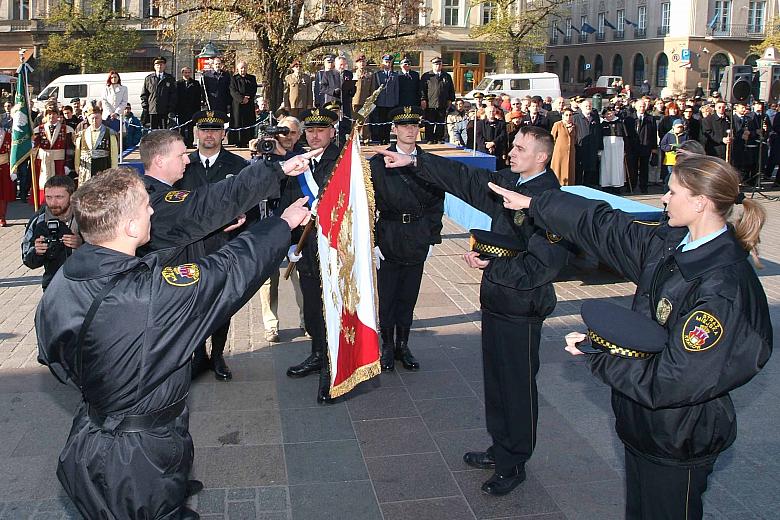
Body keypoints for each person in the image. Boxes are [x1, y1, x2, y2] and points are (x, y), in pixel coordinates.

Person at [488, 153, 772, 520]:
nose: (664, 199)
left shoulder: (722, 287)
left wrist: (601, 354)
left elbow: (674, 379)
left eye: (672, 192)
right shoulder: (675, 244)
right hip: (648, 429)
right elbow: (606, 227)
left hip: (678, 436)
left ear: (701, 202)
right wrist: (538, 203)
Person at [36, 167, 310, 520]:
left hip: (90, 435)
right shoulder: (147, 298)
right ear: (132, 227)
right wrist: (281, 226)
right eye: (146, 207)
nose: (153, 210)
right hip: (136, 458)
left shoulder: (66, 277)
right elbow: (227, 271)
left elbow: (53, 355)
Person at [374, 125, 572, 496]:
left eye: (520, 148)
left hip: (522, 306)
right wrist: (414, 160)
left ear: (541, 157)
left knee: (516, 386)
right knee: (496, 381)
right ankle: (500, 448)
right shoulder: (511, 182)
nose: (510, 152)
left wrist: (491, 264)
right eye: (512, 146)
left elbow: (543, 265)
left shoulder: (548, 200)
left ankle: (515, 463)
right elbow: (466, 179)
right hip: (498, 300)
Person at [175, 110, 249, 380]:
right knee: (192, 303)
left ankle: (217, 356)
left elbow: (248, 200)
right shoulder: (183, 165)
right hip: (189, 246)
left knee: (221, 302)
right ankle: (198, 356)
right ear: (196, 133)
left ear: (223, 135)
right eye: (204, 130)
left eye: (215, 130)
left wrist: (242, 216)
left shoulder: (238, 166)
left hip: (224, 244)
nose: (209, 135)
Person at [369, 106, 444, 371]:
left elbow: (437, 203)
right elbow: (370, 205)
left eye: (414, 126)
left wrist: (433, 237)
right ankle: (387, 346)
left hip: (417, 234)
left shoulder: (430, 163)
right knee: (388, 295)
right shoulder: (377, 164)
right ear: (395, 129)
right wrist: (373, 242)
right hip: (389, 233)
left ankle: (403, 345)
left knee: (409, 296)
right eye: (405, 126)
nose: (410, 130)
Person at [279, 107, 341, 403]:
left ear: (332, 132)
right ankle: (317, 352)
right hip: (306, 247)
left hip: (334, 247)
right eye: (311, 131)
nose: (315, 135)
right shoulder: (300, 161)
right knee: (313, 305)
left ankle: (333, 366)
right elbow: (289, 201)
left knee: (333, 307)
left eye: (322, 130)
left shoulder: (343, 161)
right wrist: (292, 243)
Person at [21, 176, 82, 290]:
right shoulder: (38, 220)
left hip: (86, 285)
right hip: (53, 286)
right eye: (48, 197)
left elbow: (107, 251)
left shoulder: (86, 217)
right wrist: (37, 252)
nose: (53, 203)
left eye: (59, 197)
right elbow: (27, 259)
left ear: (72, 196)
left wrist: (82, 245)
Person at [33, 104, 74, 204]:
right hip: (44, 163)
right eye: (49, 114)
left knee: (59, 187)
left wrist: (68, 165)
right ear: (45, 116)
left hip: (59, 163)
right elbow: (34, 148)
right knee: (44, 187)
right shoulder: (38, 130)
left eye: (54, 114)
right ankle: (43, 208)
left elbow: (70, 149)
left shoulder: (66, 129)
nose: (51, 117)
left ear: (58, 116)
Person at [75, 105, 119, 185]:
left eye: (97, 118)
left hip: (103, 166)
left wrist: (114, 169)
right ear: (88, 119)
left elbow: (114, 154)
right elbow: (78, 152)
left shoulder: (110, 133)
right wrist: (77, 167)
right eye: (92, 118)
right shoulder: (81, 134)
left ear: (101, 118)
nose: (95, 121)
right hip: (86, 168)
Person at [420, 57, 456, 144]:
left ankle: (439, 138)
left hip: (442, 103)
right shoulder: (426, 76)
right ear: (432, 65)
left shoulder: (446, 76)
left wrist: (450, 99)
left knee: (440, 122)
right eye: (436, 64)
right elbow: (422, 90)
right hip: (430, 104)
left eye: (439, 64)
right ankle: (430, 138)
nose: (438, 66)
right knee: (429, 122)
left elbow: (451, 89)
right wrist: (423, 99)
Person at [624, 98, 657, 193]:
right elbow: (626, 134)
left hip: (645, 145)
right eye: (640, 106)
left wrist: (654, 148)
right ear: (636, 107)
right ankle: (631, 186)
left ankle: (644, 186)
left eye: (643, 106)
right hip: (633, 146)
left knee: (644, 168)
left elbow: (654, 134)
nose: (642, 108)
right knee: (632, 167)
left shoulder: (650, 118)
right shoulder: (629, 118)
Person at [141, 56, 178, 130]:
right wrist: (146, 107)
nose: (159, 66)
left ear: (164, 66)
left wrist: (170, 109)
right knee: (153, 133)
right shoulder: (149, 79)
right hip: (152, 110)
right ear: (154, 66)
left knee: (164, 132)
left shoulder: (170, 78)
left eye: (161, 64)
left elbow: (173, 95)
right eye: (157, 65)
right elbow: (144, 94)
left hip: (165, 111)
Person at [573, 97, 602, 186]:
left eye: (589, 106)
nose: (588, 107)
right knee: (579, 170)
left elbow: (598, 132)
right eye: (586, 106)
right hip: (580, 147)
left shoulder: (594, 118)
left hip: (592, 148)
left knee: (590, 170)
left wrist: (600, 147)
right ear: (581, 107)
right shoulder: (576, 118)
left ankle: (588, 187)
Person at [371, 54, 399, 144]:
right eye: (386, 62)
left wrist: (396, 101)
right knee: (380, 122)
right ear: (383, 63)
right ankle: (380, 139)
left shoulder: (395, 75)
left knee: (388, 122)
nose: (388, 64)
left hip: (390, 102)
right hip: (380, 102)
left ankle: (386, 139)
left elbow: (396, 89)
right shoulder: (378, 75)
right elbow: (375, 88)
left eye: (389, 62)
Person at [229, 61, 258, 148]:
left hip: (249, 104)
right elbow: (233, 91)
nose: (243, 69)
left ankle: (248, 140)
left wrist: (248, 98)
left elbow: (254, 89)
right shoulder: (234, 79)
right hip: (237, 105)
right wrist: (242, 99)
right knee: (238, 122)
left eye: (244, 68)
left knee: (249, 121)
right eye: (241, 68)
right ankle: (238, 141)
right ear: (238, 69)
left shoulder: (252, 78)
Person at [599, 106, 627, 192]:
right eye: (607, 113)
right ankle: (606, 184)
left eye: (611, 112)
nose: (609, 115)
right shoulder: (603, 124)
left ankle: (617, 185)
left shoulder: (620, 122)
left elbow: (625, 136)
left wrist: (625, 149)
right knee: (606, 165)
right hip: (606, 146)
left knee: (617, 165)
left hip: (618, 147)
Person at [550, 107, 576, 186]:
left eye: (570, 115)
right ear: (563, 116)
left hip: (570, 153)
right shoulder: (557, 125)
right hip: (559, 153)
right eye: (566, 115)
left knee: (570, 171)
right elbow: (552, 138)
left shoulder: (575, 126)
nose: (568, 117)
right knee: (558, 171)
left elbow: (575, 139)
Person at [177, 67, 202, 148]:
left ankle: (190, 143)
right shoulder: (178, 83)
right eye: (185, 72)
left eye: (188, 72)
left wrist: (198, 110)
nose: (187, 74)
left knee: (190, 127)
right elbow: (176, 97)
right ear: (182, 73)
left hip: (192, 109)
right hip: (181, 109)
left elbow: (198, 97)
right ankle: (181, 144)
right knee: (182, 128)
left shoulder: (195, 83)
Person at [476, 104, 507, 170]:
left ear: (495, 112)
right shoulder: (479, 124)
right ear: (486, 113)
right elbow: (478, 137)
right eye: (489, 112)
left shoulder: (501, 124)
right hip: (483, 152)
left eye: (493, 111)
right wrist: (487, 146)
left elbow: (503, 135)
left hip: (497, 151)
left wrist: (493, 143)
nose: (491, 113)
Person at [351, 54, 374, 143]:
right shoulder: (353, 73)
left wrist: (371, 100)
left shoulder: (370, 73)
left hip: (366, 101)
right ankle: (353, 138)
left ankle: (366, 139)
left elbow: (372, 88)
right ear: (356, 63)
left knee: (365, 121)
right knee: (354, 121)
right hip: (354, 100)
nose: (362, 63)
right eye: (360, 62)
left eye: (363, 62)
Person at [659, 118, 688, 184]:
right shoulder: (668, 135)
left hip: (681, 159)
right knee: (670, 175)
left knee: (680, 175)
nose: (679, 129)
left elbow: (688, 145)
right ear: (673, 127)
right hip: (670, 160)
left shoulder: (685, 135)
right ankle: (668, 187)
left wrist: (682, 148)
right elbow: (663, 145)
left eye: (681, 127)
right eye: (678, 127)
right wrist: (671, 147)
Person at [0, 121, 12, 225]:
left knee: (3, 193)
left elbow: (12, 153)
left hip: (4, 166)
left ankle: (2, 216)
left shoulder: (7, 134)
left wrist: (14, 170)